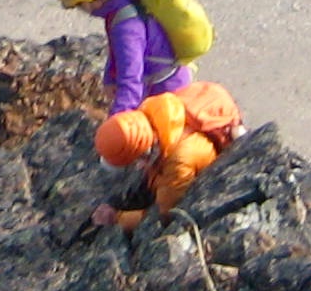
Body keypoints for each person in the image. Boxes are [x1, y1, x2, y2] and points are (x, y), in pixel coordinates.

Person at [88, 83, 244, 228]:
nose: (137, 166)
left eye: (133, 162)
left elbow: (165, 213)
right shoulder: (151, 111)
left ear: (145, 153)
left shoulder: (179, 160)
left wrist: (117, 218)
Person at [51, 0, 191, 114]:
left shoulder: (126, 26)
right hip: (170, 81)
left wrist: (119, 118)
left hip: (166, 95)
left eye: (78, 6)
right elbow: (117, 50)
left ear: (85, 1)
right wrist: (110, 78)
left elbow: (131, 76)